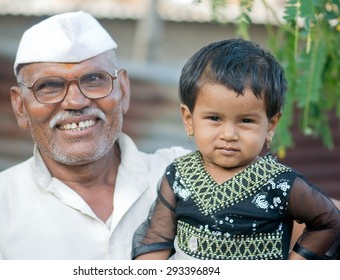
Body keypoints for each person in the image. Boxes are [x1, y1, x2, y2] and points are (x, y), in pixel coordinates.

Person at [0, 11, 189, 259]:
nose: (76, 102)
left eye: (94, 79)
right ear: (20, 106)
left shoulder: (185, 177)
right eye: (50, 86)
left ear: (124, 90)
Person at [132, 38, 340, 260]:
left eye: (246, 121)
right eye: (214, 118)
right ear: (189, 119)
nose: (229, 134)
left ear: (270, 125)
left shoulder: (281, 183)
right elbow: (156, 236)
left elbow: (329, 221)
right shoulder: (179, 175)